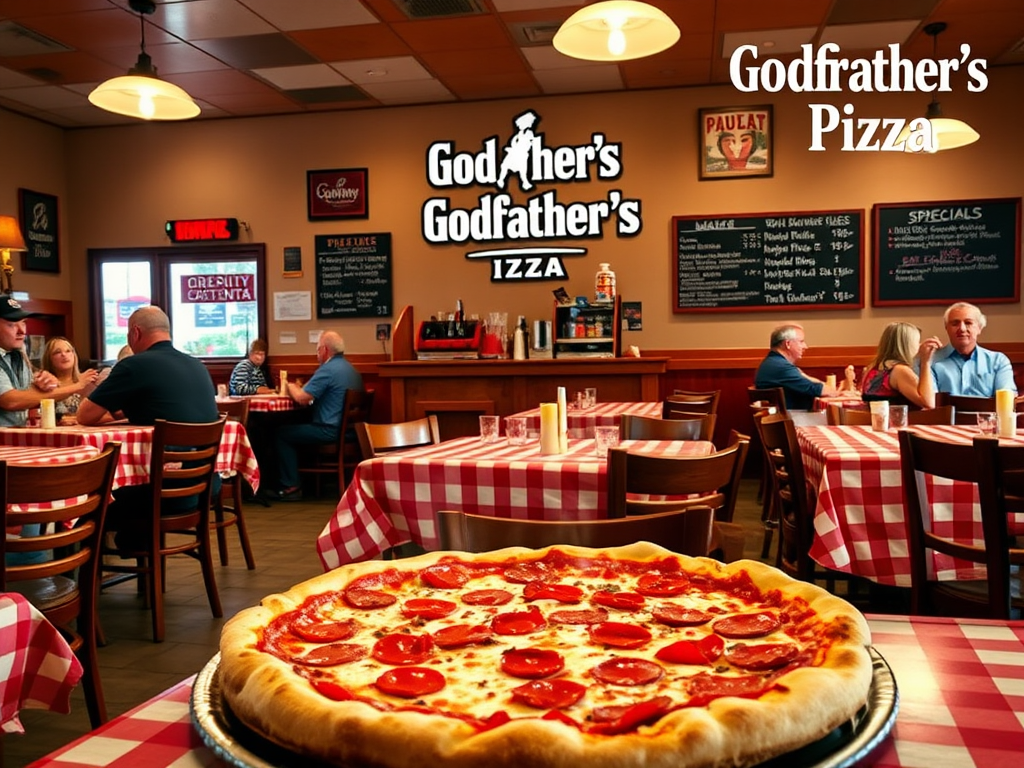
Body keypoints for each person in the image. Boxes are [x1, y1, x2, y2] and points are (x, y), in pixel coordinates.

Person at [76, 306, 219, 548]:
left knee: (85, 502)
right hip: (205, 488)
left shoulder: (133, 365)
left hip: (159, 494)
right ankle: (139, 557)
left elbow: (85, 416)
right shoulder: (197, 365)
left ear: (135, 333)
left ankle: (80, 580)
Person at [274, 330, 363, 501]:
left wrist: (289, 385)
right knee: (293, 429)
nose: (317, 354)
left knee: (281, 434)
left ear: (325, 350)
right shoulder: (352, 370)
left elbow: (302, 398)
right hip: (350, 432)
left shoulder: (328, 369)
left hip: (328, 430)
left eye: (317, 350)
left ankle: (291, 486)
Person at [0, 295, 91, 427]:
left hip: (15, 436)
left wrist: (41, 386)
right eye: (12, 324)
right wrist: (77, 386)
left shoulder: (17, 355)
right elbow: (10, 401)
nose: (22, 331)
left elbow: (26, 396)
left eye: (24, 322)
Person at [926, 302, 1017, 396]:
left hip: (987, 410)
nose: (962, 328)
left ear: (979, 328)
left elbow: (1006, 398)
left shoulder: (997, 361)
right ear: (946, 328)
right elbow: (930, 402)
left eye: (968, 323)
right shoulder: (931, 361)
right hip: (948, 411)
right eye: (955, 323)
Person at [754, 323, 845, 411]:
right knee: (843, 418)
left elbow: (811, 382)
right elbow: (818, 389)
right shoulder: (781, 367)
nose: (805, 346)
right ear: (788, 344)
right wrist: (836, 391)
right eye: (801, 341)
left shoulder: (774, 363)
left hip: (785, 418)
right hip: (793, 420)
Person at [860, 322, 942, 409]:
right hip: (899, 421)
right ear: (907, 345)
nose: (919, 345)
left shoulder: (871, 369)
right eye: (917, 342)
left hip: (876, 421)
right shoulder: (899, 371)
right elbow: (929, 403)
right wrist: (925, 363)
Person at [40, 336, 105, 423]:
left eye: (68, 351)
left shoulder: (88, 382)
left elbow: (107, 414)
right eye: (57, 352)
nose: (64, 355)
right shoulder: (44, 384)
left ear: (74, 355)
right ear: (49, 358)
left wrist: (77, 419)